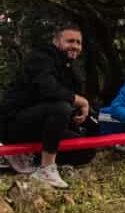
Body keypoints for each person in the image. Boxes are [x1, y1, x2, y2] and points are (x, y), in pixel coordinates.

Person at [1, 25, 91, 187]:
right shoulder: (40, 57)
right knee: (61, 107)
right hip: (14, 124)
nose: (75, 46)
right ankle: (46, 168)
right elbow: (49, 90)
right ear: (56, 41)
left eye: (78, 42)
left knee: (85, 150)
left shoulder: (70, 68)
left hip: (44, 130)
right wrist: (81, 101)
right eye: (70, 41)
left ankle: (27, 161)